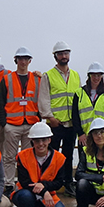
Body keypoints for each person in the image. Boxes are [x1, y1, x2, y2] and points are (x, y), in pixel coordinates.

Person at [12, 121, 69, 207]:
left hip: (48, 195)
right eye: (37, 140)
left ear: (49, 140)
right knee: (26, 197)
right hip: (25, 193)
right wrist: (44, 192)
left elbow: (59, 182)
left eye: (44, 140)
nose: (40, 144)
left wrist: (44, 187)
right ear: (32, 141)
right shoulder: (22, 156)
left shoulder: (59, 159)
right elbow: (24, 181)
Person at [38, 41, 82, 197]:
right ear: (55, 56)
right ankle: (51, 183)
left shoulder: (76, 75)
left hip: (71, 124)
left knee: (68, 154)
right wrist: (49, 116)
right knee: (53, 154)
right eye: (60, 54)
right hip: (55, 123)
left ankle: (68, 182)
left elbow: (79, 98)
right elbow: (44, 98)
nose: (64, 56)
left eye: (66, 53)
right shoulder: (48, 76)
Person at [0, 47, 40, 193]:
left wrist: (38, 121)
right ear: (16, 60)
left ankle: (25, 183)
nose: (23, 61)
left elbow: (42, 101)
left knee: (28, 158)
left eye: (25, 59)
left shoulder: (37, 79)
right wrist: (4, 123)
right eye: (20, 59)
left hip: (31, 125)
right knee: (9, 157)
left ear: (29, 61)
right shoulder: (7, 79)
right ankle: (9, 184)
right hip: (12, 125)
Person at [73, 62, 104, 134]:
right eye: (93, 75)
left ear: (102, 76)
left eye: (98, 75)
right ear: (89, 76)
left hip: (102, 135)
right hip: (84, 136)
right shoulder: (79, 93)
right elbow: (75, 115)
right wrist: (80, 133)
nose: (96, 78)